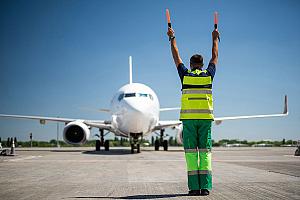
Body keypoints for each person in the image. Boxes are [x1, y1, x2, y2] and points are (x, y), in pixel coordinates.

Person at [167, 25, 219, 196]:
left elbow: (176, 56)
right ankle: (205, 188)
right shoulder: (208, 76)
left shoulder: (185, 75)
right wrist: (215, 38)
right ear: (202, 65)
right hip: (205, 120)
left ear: (190, 64)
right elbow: (215, 56)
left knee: (191, 154)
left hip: (189, 121)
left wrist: (172, 37)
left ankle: (193, 188)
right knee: (205, 153)